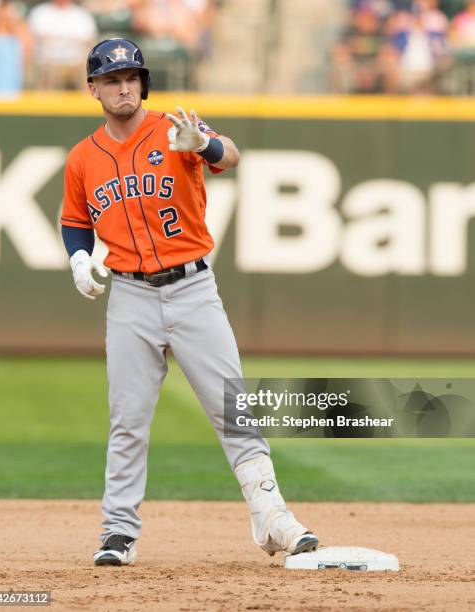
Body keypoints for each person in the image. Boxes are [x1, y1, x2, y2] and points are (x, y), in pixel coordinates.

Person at [60, 38, 319, 566]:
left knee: (233, 407)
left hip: (194, 288)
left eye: (131, 76)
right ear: (94, 89)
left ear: (144, 82)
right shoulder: (83, 158)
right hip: (129, 295)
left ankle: (272, 518)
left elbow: (233, 156)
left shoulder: (174, 128)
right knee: (127, 419)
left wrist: (202, 145)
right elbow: (74, 220)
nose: (124, 85)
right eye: (111, 79)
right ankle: (118, 532)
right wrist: (79, 260)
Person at [28, 0, 97, 90]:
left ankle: (88, 101)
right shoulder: (40, 12)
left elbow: (89, 39)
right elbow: (32, 38)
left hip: (77, 60)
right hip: (47, 59)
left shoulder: (82, 14)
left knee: (89, 65)